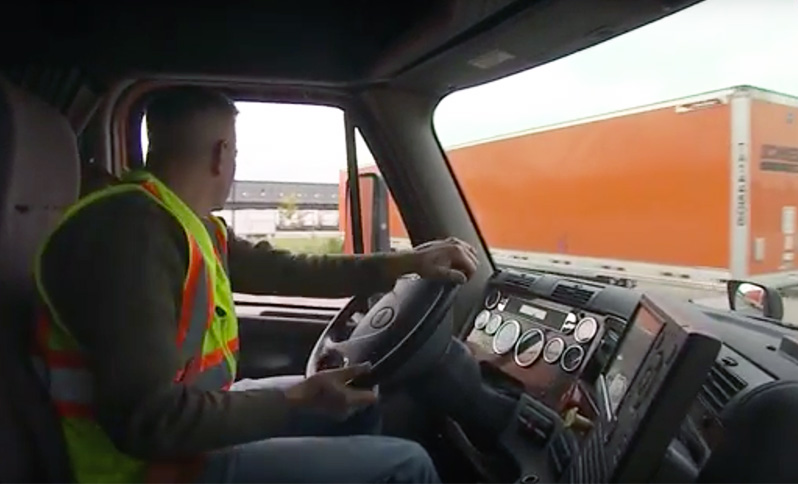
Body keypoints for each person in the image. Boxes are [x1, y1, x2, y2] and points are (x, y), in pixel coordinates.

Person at [32, 87, 479, 484]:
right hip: (149, 470)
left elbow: (289, 271)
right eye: (235, 153)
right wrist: (294, 400)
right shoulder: (129, 234)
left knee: (359, 403)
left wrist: (409, 262)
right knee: (408, 464)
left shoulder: (186, 224)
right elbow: (148, 422)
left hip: (187, 430)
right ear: (222, 153)